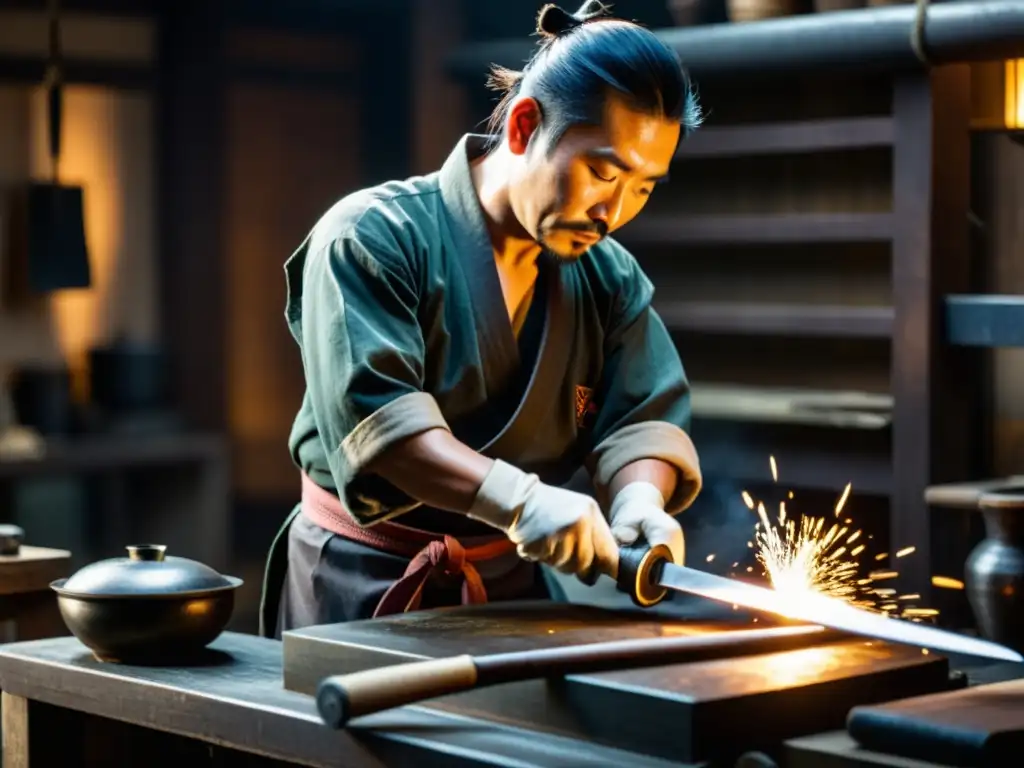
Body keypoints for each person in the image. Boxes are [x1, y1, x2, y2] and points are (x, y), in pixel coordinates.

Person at [259, 0, 705, 637]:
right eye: (603, 172)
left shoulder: (609, 279)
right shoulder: (371, 237)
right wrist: (520, 502)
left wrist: (640, 497)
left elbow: (641, 416)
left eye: (642, 187)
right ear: (524, 127)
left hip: (514, 588)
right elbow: (384, 433)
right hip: (363, 579)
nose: (615, 210)